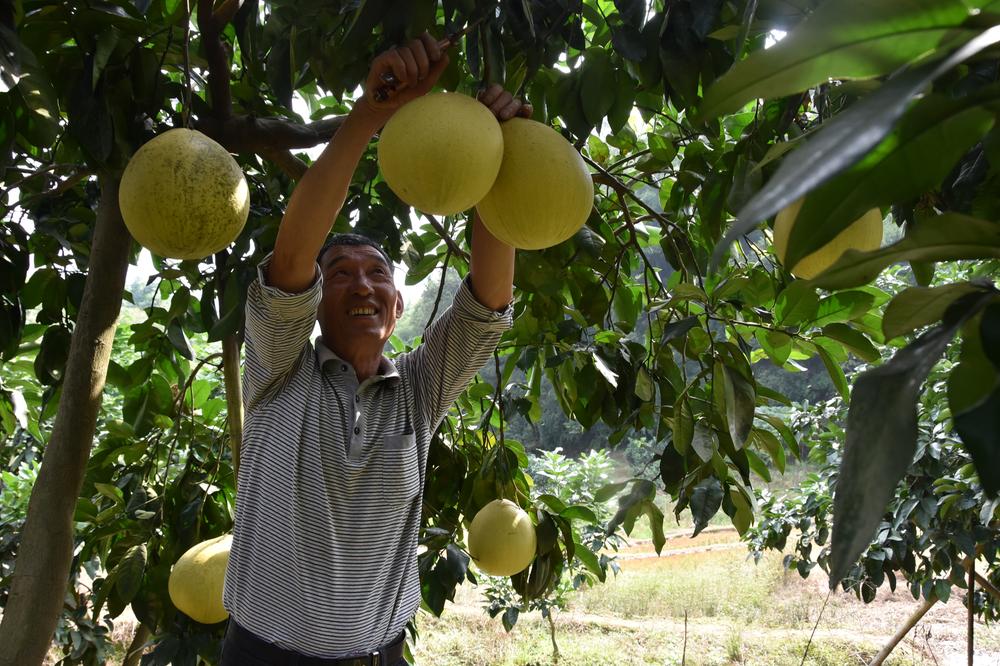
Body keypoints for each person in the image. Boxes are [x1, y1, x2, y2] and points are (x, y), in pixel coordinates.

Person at [219, 31, 532, 666]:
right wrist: (371, 114)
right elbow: (291, 258)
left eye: (377, 274)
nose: (362, 284)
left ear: (396, 307)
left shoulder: (418, 390)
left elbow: (487, 304)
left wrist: (494, 155)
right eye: (340, 274)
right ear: (315, 300)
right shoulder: (279, 371)